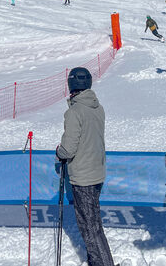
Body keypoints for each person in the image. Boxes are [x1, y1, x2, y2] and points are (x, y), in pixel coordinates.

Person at [56, 68, 114, 266]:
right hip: (96, 172)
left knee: (90, 227)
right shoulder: (97, 107)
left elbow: (69, 149)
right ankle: (97, 261)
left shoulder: (74, 112)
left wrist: (59, 152)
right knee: (93, 224)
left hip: (83, 177)